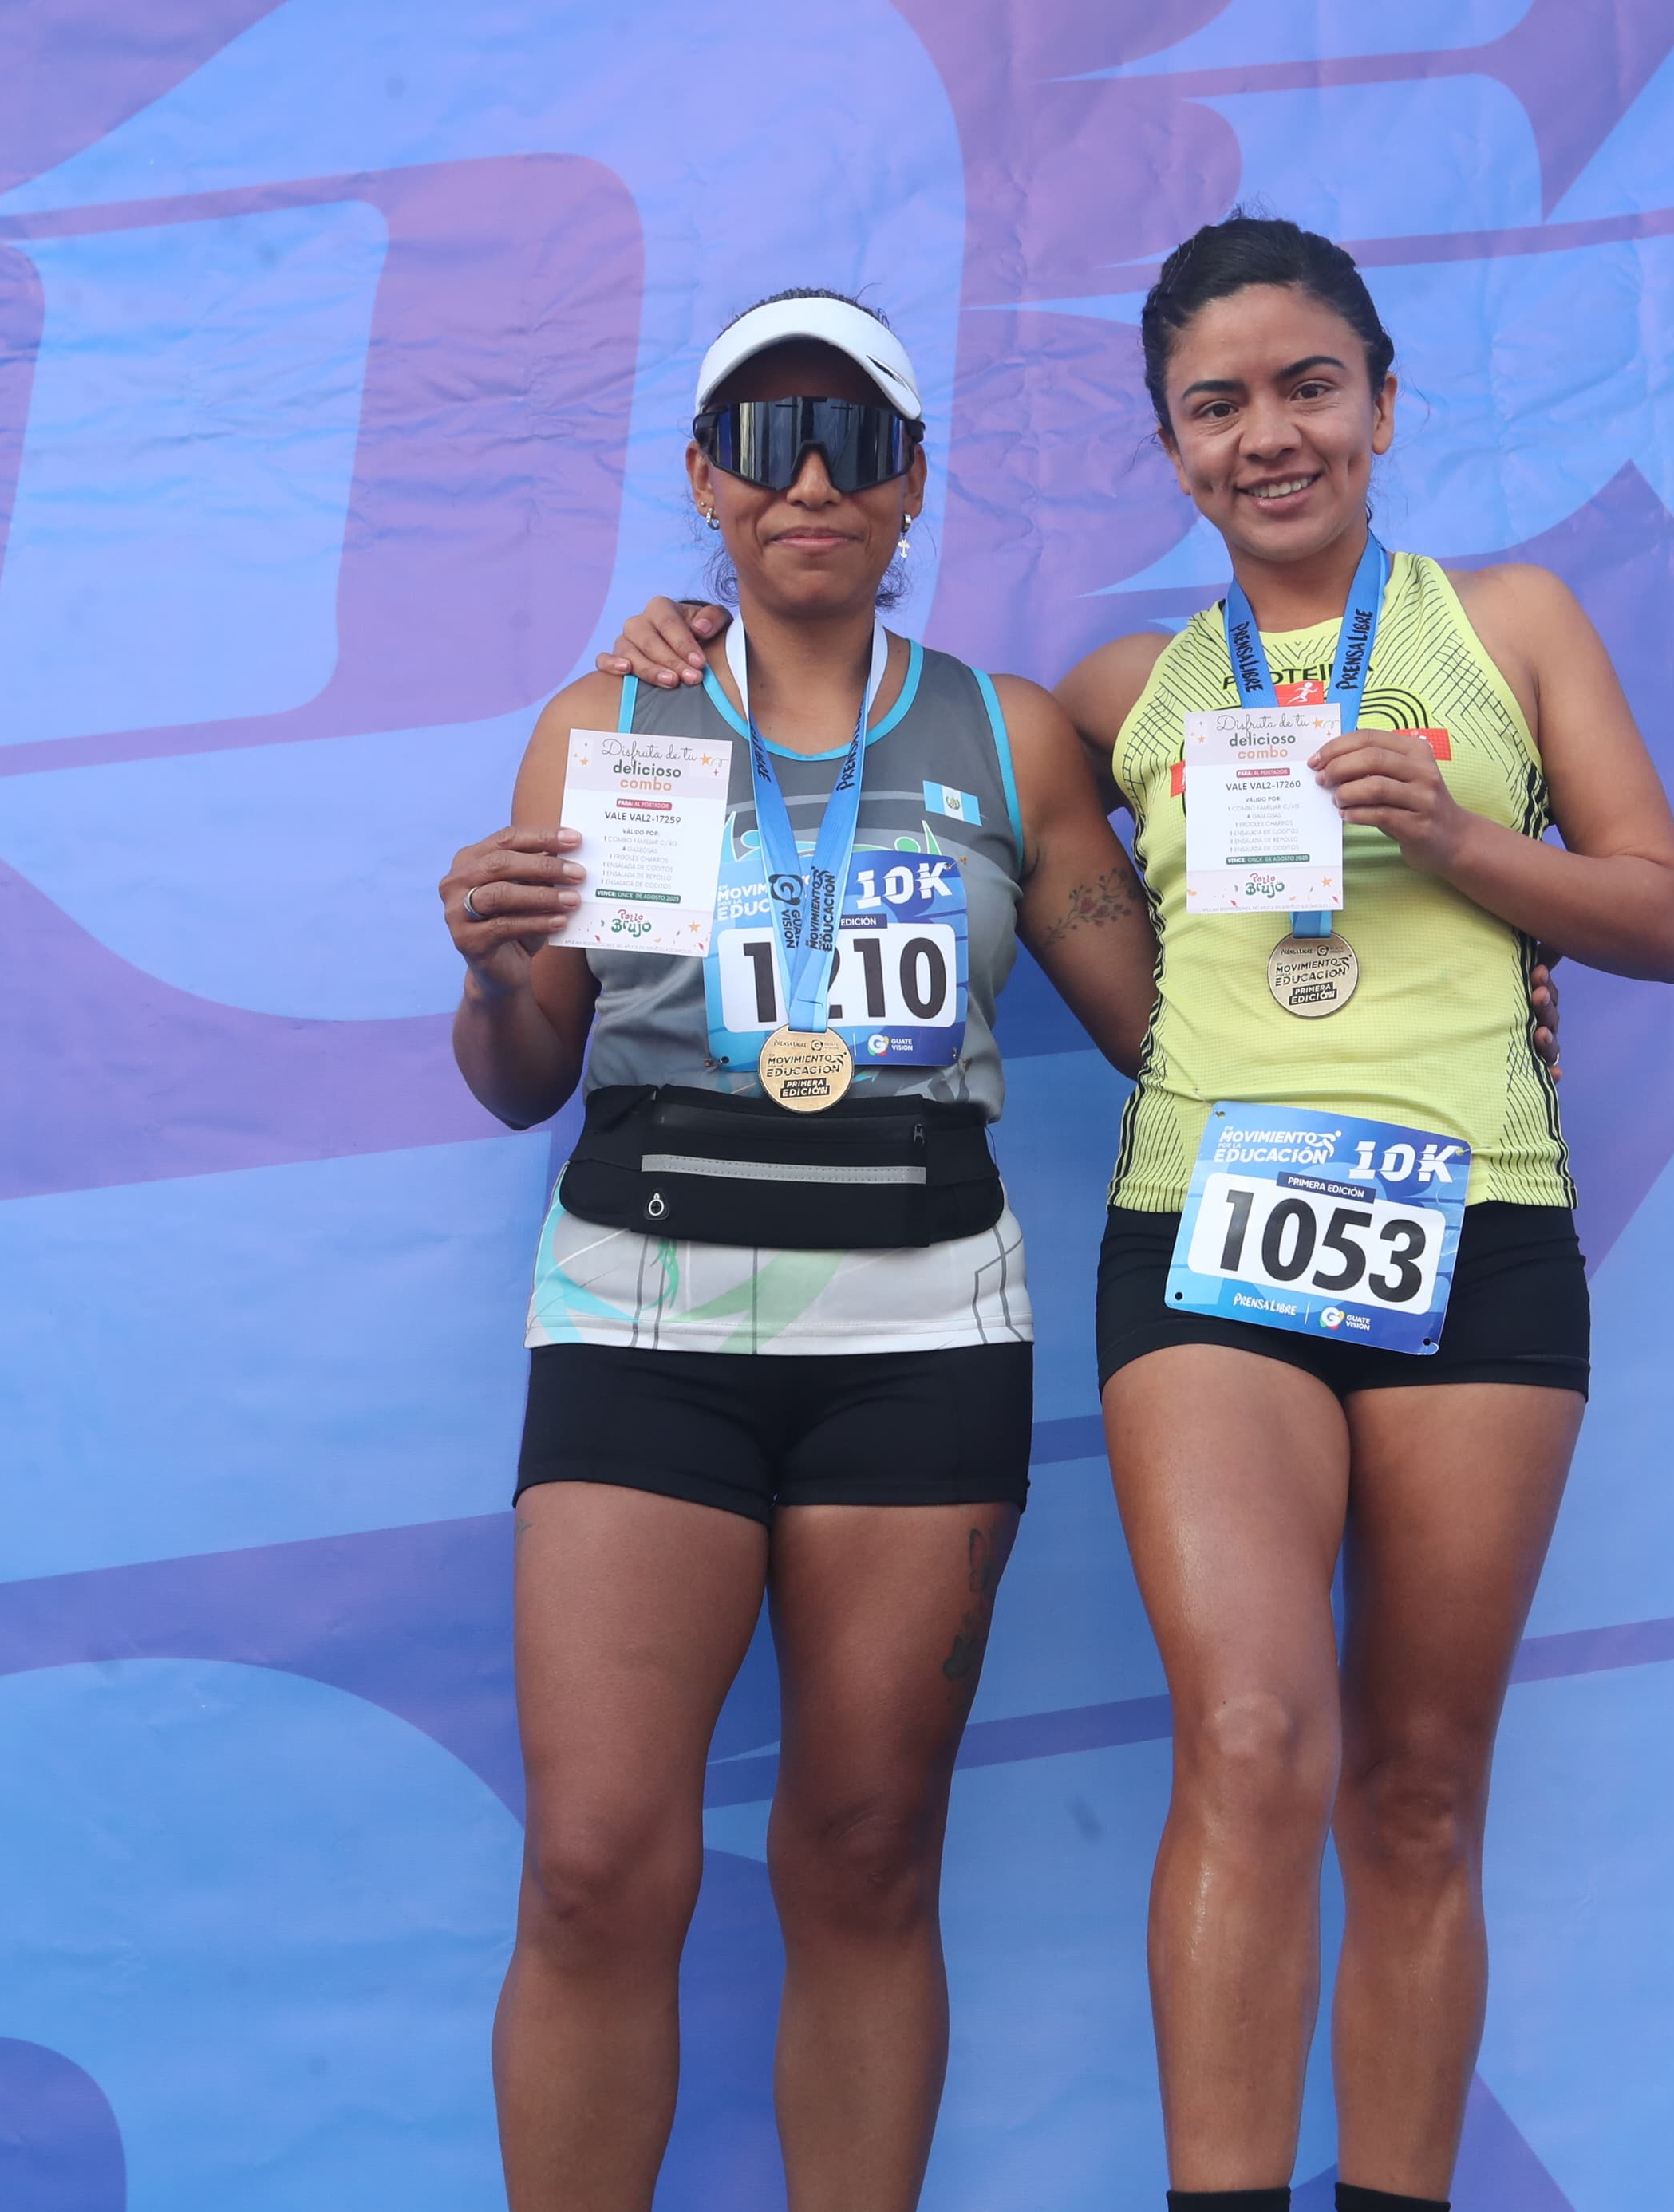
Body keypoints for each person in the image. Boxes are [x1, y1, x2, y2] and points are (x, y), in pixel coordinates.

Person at [601, 218, 1674, 2212]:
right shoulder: (1114, 693)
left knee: (1424, 1786)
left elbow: (1664, 913)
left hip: (1482, 1224)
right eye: (1218, 405)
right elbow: (888, 777)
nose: (1267, 434)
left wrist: (1465, 846)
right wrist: (671, 645)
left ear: (1381, 404)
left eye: (1307, 388)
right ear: (1169, 444)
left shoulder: (1513, 624)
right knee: (1258, 1730)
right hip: (1211, 1226)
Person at [441, 287, 1157, 2212]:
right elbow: (523, 1075)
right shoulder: (614, 719)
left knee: (862, 1850)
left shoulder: (1005, 739)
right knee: (596, 1861)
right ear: (703, 480)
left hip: (923, 1328)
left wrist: (1413, 973)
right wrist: (505, 959)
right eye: (764, 439)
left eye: (853, 437)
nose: (812, 473)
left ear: (913, 483)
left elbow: (1162, 1030)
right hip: (642, 1303)